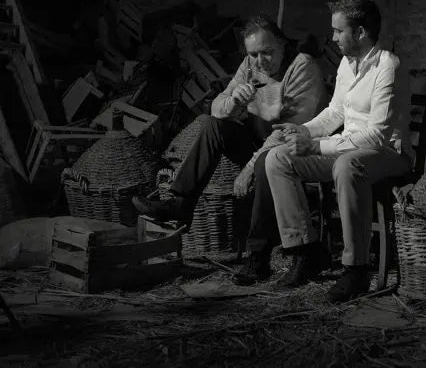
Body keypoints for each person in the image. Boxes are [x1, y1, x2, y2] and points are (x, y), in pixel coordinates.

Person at [132, 15, 327, 284]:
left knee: (265, 164)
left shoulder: (301, 67)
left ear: (282, 44)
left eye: (267, 52)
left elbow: (288, 131)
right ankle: (180, 204)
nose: (260, 61)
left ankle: (258, 256)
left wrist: (248, 169)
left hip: (297, 147)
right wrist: (234, 101)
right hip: (262, 142)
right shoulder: (249, 65)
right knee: (213, 126)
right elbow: (216, 108)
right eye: (253, 54)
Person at [262, 0, 411, 303]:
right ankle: (304, 251)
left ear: (360, 32)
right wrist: (304, 130)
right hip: (348, 148)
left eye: (339, 31)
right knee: (277, 158)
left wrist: (316, 146)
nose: (333, 37)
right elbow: (335, 112)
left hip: (387, 154)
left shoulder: (388, 65)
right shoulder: (346, 63)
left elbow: (376, 137)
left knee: (347, 165)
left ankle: (356, 269)